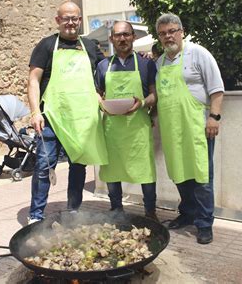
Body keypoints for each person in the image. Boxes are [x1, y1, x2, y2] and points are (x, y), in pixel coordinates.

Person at [27, 1, 108, 224]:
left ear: (80, 20)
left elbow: (107, 74)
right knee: (44, 166)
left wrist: (104, 97)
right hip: (51, 117)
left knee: (78, 166)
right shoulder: (46, 45)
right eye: (66, 18)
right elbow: (33, 80)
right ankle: (35, 215)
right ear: (58, 20)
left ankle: (73, 210)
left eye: (75, 18)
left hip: (81, 120)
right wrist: (35, 112)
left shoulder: (90, 46)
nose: (71, 23)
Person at [155, 13, 224, 244]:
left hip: (197, 127)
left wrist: (214, 117)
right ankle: (187, 214)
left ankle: (204, 223)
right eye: (163, 33)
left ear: (181, 31)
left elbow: (217, 89)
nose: (168, 36)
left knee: (202, 176)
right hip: (172, 129)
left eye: (172, 31)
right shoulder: (160, 62)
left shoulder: (199, 54)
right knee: (180, 174)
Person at [95, 21, 158, 221]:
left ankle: (150, 211)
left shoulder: (147, 64)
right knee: (113, 171)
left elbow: (154, 95)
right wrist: (102, 105)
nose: (122, 39)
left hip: (138, 128)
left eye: (126, 35)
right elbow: (97, 93)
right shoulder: (103, 65)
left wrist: (141, 104)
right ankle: (116, 209)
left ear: (133, 37)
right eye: (118, 35)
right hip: (113, 129)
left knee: (145, 171)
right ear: (111, 39)